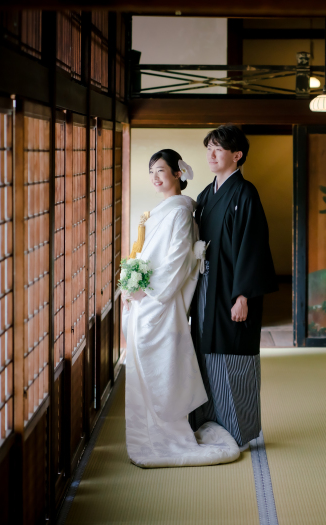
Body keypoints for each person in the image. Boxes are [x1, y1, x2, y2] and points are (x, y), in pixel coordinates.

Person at [122, 148, 240, 468]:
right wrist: (135, 283)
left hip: (161, 301)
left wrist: (150, 295)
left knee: (163, 365)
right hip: (148, 297)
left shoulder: (179, 213)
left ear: (178, 173)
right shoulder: (163, 210)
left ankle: (168, 428)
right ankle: (149, 426)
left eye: (161, 170)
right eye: (151, 172)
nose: (155, 177)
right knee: (148, 364)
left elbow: (177, 261)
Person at [190, 125, 278, 450]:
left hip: (231, 289)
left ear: (236, 155)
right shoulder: (206, 193)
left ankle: (238, 430)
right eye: (209, 149)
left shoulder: (245, 193)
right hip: (205, 288)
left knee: (233, 354)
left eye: (217, 149)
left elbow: (252, 247)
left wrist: (243, 295)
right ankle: (210, 421)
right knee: (205, 350)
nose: (211, 155)